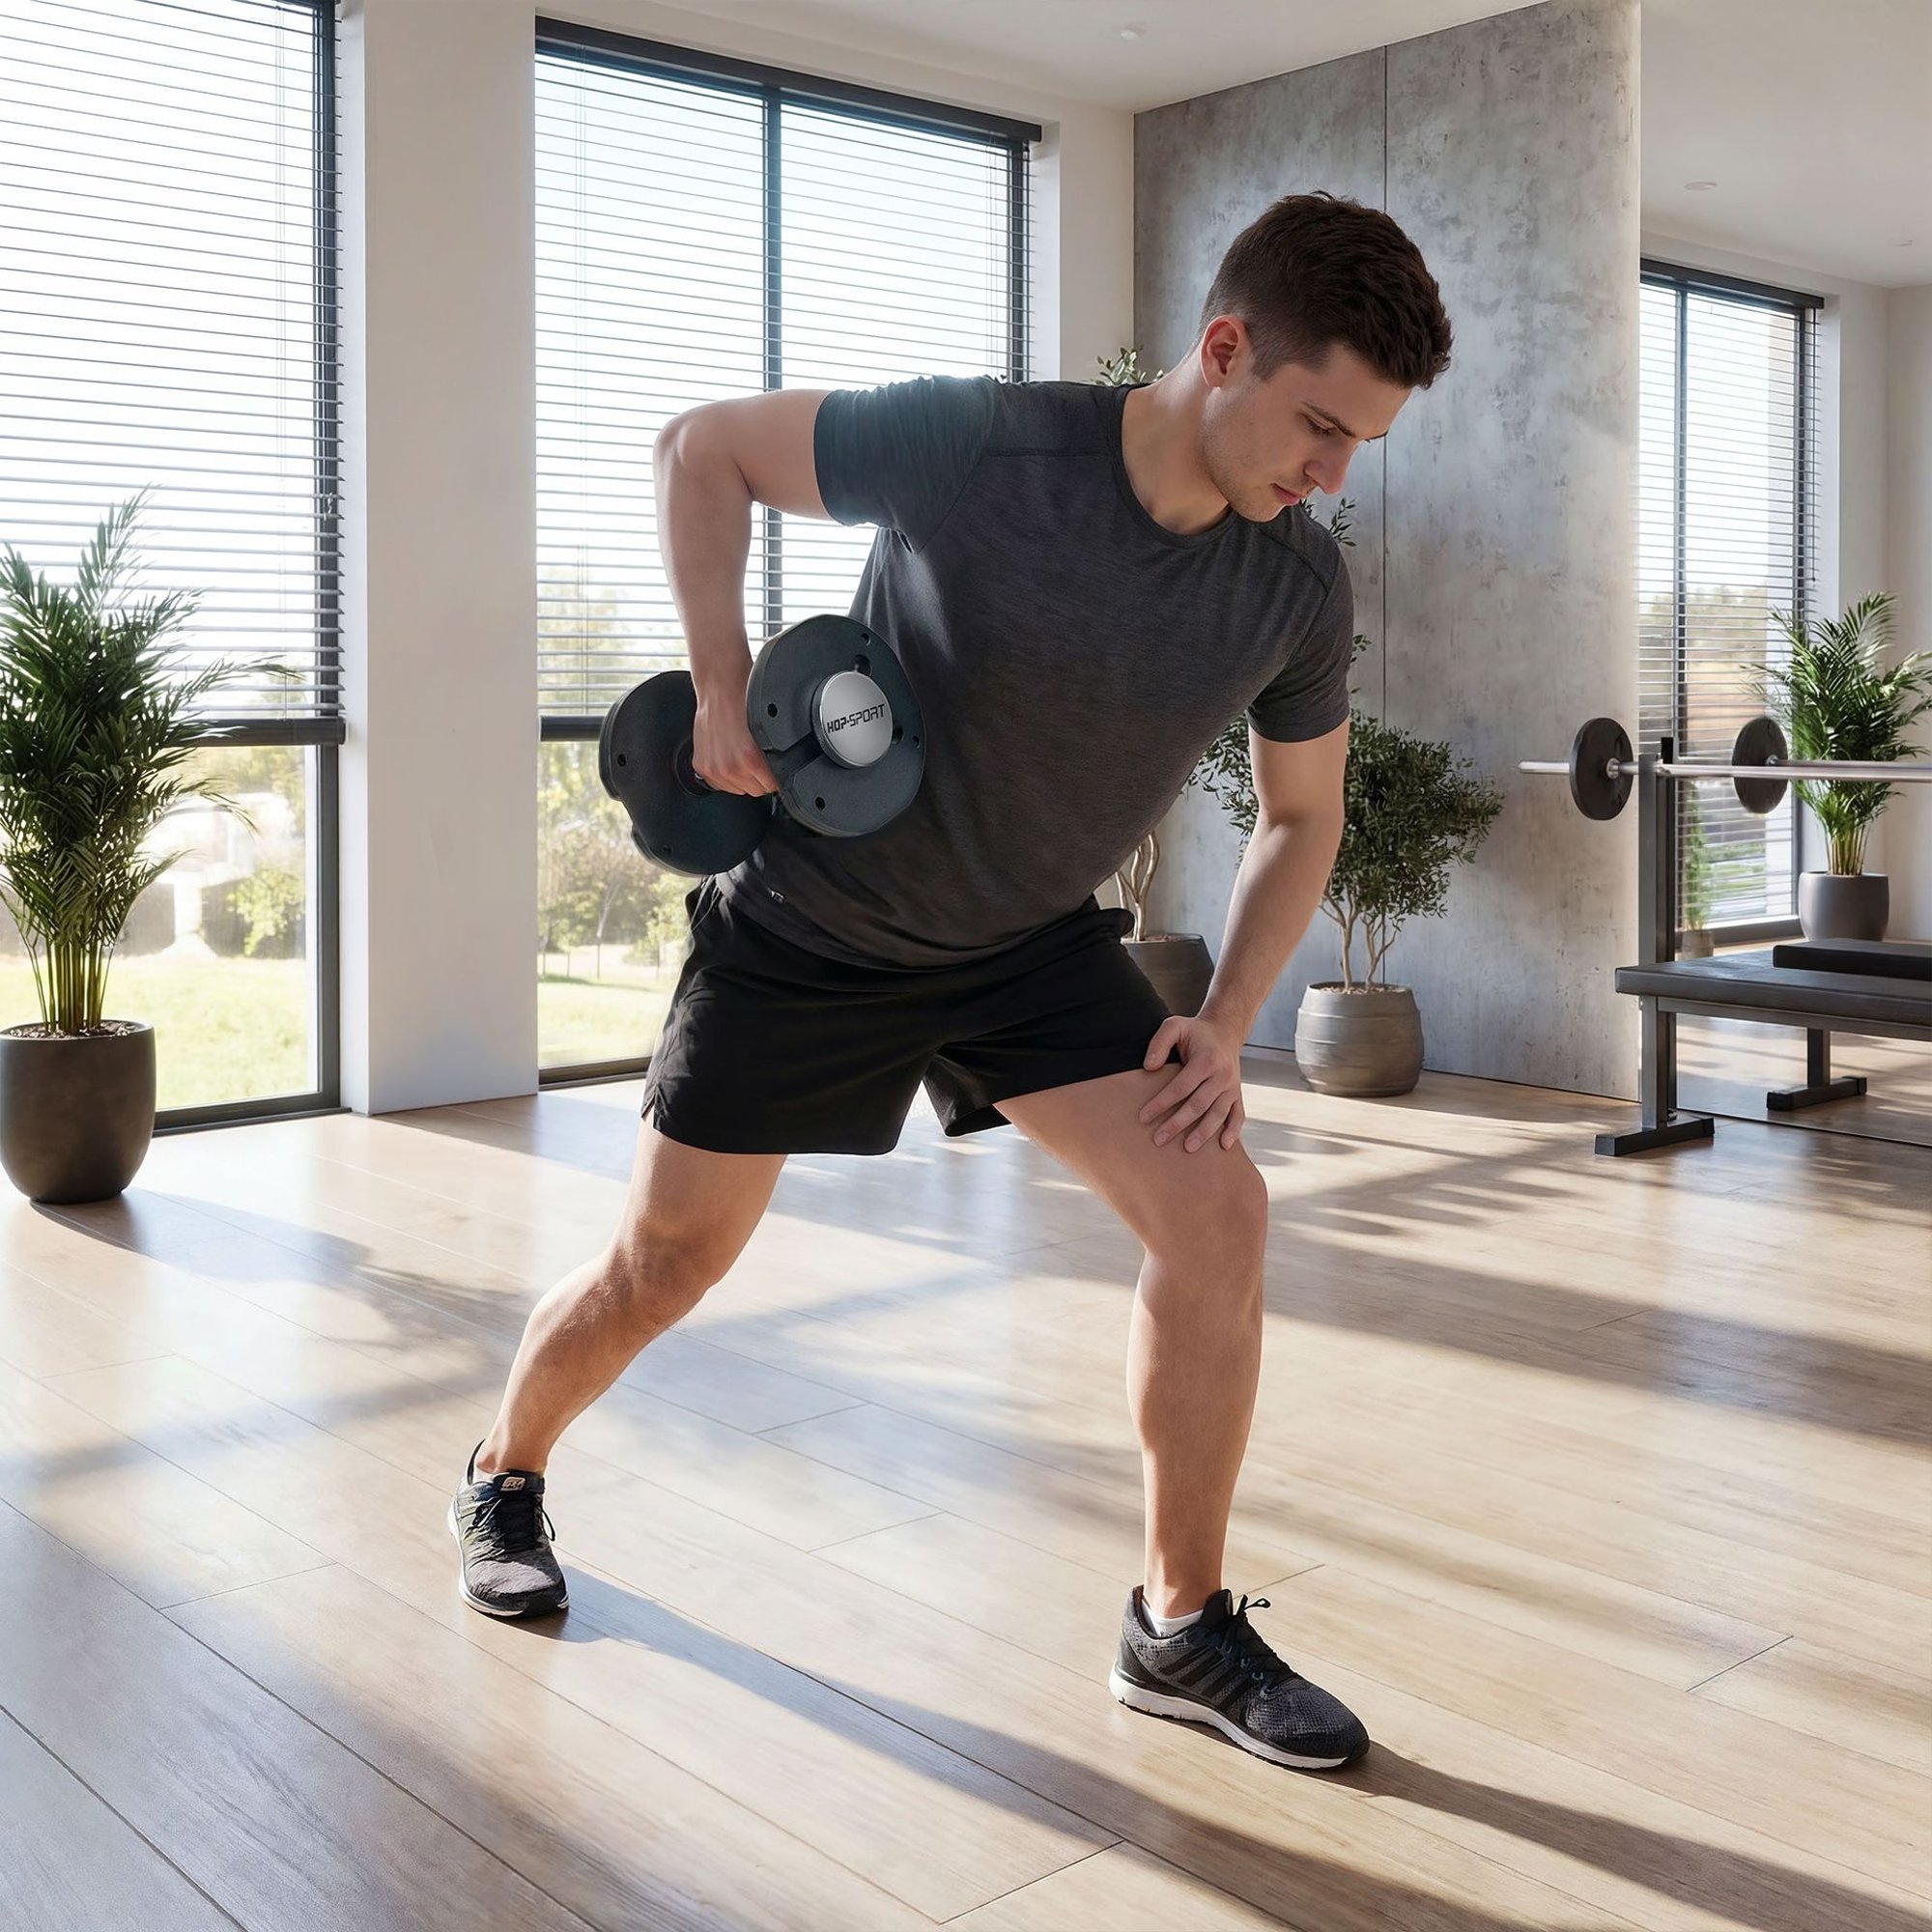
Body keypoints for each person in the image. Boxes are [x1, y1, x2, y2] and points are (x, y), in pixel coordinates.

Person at [452, 191, 1451, 1772]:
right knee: (664, 1268)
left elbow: (1303, 814)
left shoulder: (1292, 588)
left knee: (1219, 1210)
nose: (1328, 476)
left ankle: (1177, 1628)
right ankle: (506, 1470)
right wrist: (720, 683)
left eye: (1357, 449)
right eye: (1319, 426)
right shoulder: (982, 445)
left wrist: (1232, 1016)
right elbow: (702, 448)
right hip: (809, 929)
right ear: (1225, 347)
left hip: (1029, 947)